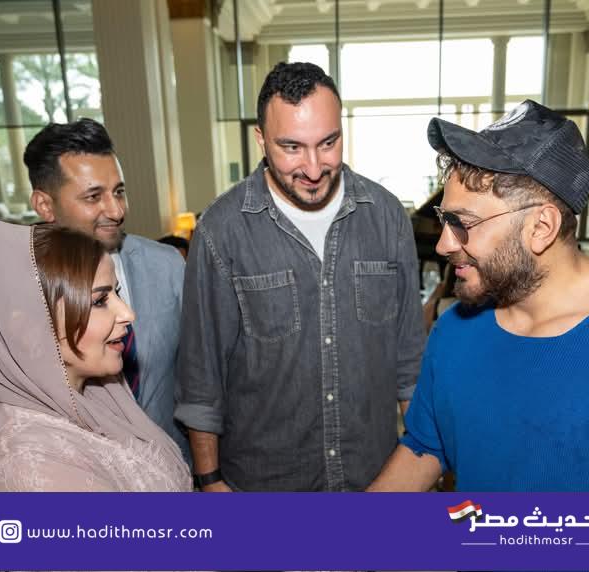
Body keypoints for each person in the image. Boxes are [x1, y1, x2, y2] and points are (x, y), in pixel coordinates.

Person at [368, 99, 589, 492]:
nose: (444, 244)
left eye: (463, 223)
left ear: (541, 227)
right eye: (445, 220)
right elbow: (424, 447)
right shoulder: (453, 332)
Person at [175, 62, 425, 492]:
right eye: (291, 147)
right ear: (261, 139)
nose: (313, 168)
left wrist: (420, 463)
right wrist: (210, 480)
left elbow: (409, 362)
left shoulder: (387, 217)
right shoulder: (221, 230)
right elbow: (202, 375)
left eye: (328, 143)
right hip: (265, 487)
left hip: (374, 480)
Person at [0, 221, 191, 492]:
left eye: (116, 292)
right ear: (29, 327)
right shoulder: (25, 471)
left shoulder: (97, 393)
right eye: (99, 301)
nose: (128, 314)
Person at [24, 119, 189, 462]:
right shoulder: (18, 289)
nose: (117, 211)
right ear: (44, 205)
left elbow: (199, 376)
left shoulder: (167, 265)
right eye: (93, 196)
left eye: (119, 192)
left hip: (171, 470)